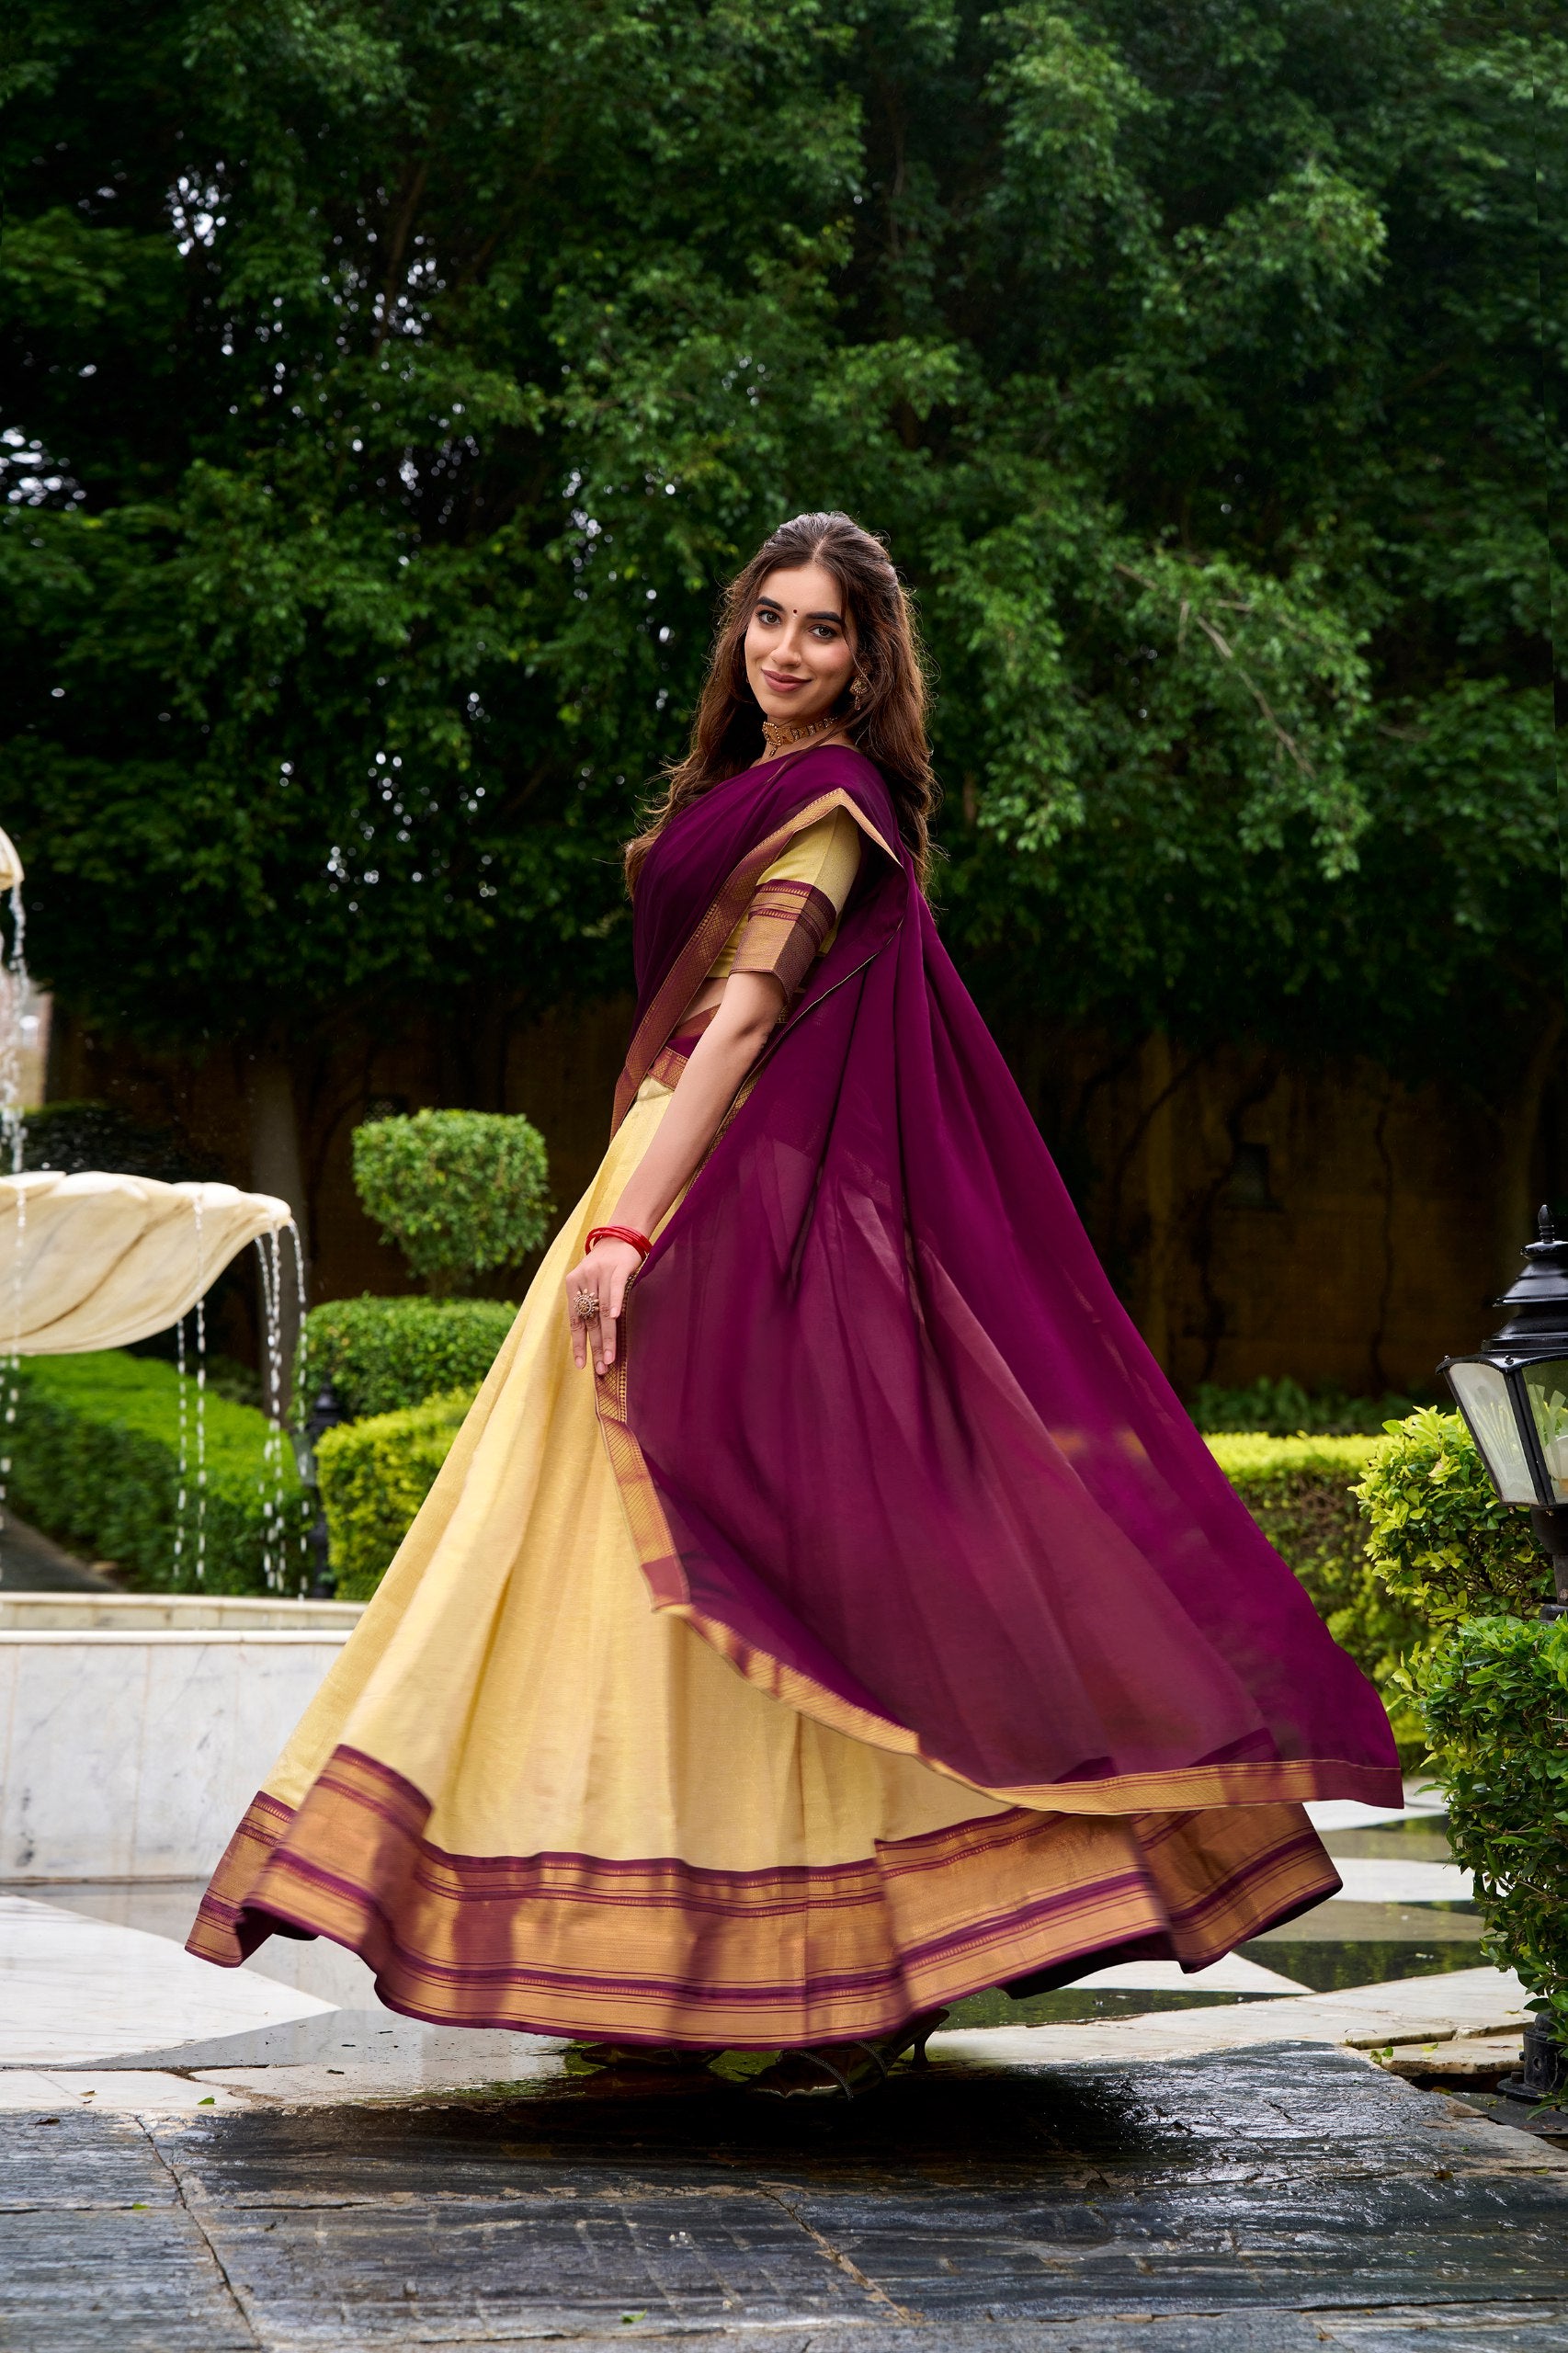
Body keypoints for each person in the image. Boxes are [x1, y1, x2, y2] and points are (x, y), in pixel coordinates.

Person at [189, 511, 1399, 2097]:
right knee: (606, 1583)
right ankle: (668, 1973)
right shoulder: (733, 791)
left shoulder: (834, 804)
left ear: (865, 660)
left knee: (787, 1560)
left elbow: (748, 1022)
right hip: (668, 1179)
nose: (785, 650)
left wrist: (626, 1228)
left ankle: (848, 1971)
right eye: (767, 619)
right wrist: (621, 1209)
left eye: (822, 630)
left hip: (732, 1197)